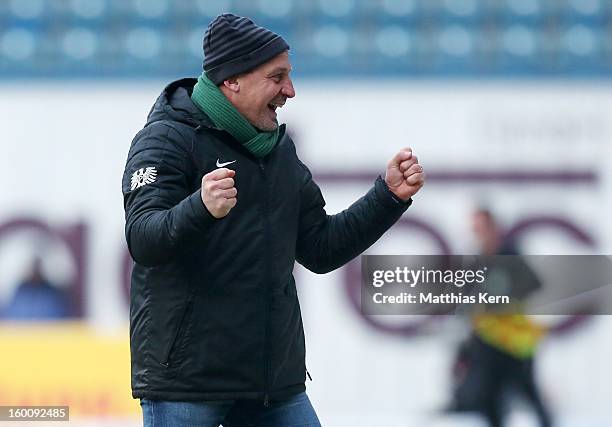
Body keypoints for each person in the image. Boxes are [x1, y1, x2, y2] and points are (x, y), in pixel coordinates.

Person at [122, 14, 425, 426]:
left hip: (270, 386)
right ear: (232, 80)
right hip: (186, 385)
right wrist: (200, 208)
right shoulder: (165, 140)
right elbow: (143, 239)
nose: (290, 91)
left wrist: (387, 198)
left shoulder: (279, 150)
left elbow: (320, 248)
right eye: (277, 77)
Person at [448, 208, 552, 427]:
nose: (479, 233)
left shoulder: (511, 255)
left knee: (528, 393)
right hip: (488, 341)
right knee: (488, 397)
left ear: (494, 229)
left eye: (482, 227)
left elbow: (533, 285)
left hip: (513, 342)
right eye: (475, 228)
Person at [2, 257, 70, 320]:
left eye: (37, 267)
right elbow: (11, 316)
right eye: (32, 268)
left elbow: (58, 317)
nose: (34, 271)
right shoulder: (20, 292)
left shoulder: (51, 294)